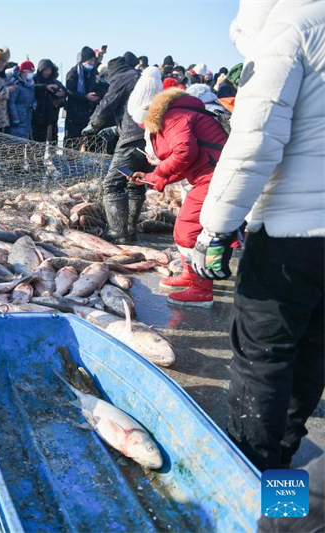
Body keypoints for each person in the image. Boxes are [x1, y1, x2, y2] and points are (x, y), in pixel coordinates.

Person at [192, 0, 324, 472]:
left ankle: (258, 483)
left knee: (265, 358)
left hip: (295, 235)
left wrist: (217, 226)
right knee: (312, 353)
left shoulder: (293, 27)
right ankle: (283, 492)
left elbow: (255, 140)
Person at [127, 88, 228, 305]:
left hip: (217, 177)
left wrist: (160, 172)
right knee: (197, 228)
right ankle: (192, 276)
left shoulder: (173, 117)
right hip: (212, 175)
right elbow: (189, 160)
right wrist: (152, 178)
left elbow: (184, 152)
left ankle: (201, 289)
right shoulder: (176, 113)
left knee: (188, 229)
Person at [84, 55, 150, 244]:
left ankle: (117, 234)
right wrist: (116, 129)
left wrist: (94, 123)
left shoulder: (124, 77)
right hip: (148, 138)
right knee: (134, 181)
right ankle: (129, 230)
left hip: (131, 141)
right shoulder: (141, 77)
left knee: (112, 184)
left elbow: (108, 102)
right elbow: (136, 111)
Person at [32, 59, 65, 172]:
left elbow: (64, 93)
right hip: (36, 117)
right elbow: (31, 88)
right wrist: (44, 87)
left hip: (50, 117)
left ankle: (44, 162)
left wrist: (60, 95)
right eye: (45, 70)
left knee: (47, 141)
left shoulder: (54, 81)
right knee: (35, 142)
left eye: (49, 70)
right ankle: (34, 163)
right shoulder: (34, 79)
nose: (47, 72)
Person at [64, 46, 101, 148]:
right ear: (84, 60)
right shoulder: (73, 73)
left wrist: (97, 97)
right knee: (73, 142)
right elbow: (70, 91)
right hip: (75, 114)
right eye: (90, 61)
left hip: (89, 113)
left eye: (94, 61)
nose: (92, 63)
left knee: (89, 142)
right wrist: (85, 97)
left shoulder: (94, 73)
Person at [7, 60, 36, 140]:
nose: (31, 74)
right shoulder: (16, 84)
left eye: (32, 71)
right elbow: (11, 102)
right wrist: (15, 118)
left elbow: (32, 98)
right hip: (18, 118)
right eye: (29, 71)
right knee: (16, 142)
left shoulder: (30, 84)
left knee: (24, 141)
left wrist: (34, 104)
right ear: (23, 72)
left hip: (27, 117)